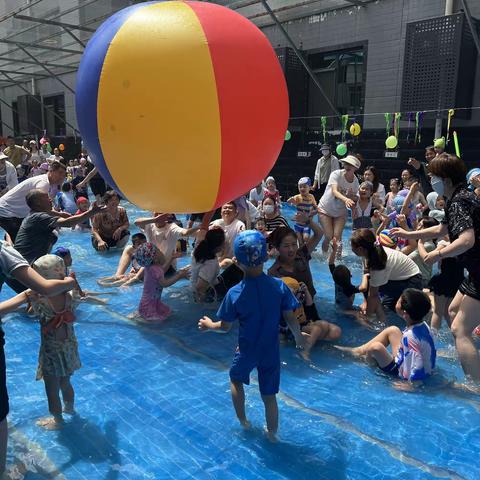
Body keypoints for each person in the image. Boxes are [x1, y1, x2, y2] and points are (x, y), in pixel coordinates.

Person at [198, 231, 305, 441]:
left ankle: (244, 423)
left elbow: (225, 327)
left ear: (236, 261)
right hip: (271, 350)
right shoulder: (279, 286)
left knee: (236, 380)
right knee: (269, 396)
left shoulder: (235, 293)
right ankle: (272, 435)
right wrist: (299, 337)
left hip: (247, 349)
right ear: (266, 257)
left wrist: (210, 324)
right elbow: (291, 318)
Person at [392, 154, 480, 381]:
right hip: (475, 271)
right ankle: (464, 348)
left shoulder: (459, 201)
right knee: (452, 310)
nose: (430, 179)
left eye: (433, 176)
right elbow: (441, 229)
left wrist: (436, 254)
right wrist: (408, 233)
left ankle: (475, 385)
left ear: (447, 179)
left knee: (459, 328)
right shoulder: (459, 197)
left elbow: (467, 240)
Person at [0, 243, 75, 471]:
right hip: (69, 348)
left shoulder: (43, 300)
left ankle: (57, 419)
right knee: (66, 382)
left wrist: (29, 300)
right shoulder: (69, 294)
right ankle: (70, 408)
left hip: (52, 351)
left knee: (51, 386)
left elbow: (35, 312)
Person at [336, 289, 436, 387]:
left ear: (405, 313)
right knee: (393, 330)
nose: (397, 301)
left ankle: (367, 362)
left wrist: (411, 385)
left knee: (375, 347)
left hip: (399, 374)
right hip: (404, 359)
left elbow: (417, 362)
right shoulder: (423, 326)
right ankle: (358, 351)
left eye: (399, 301)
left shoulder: (410, 337)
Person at [13, 189, 104, 266]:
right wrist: (92, 212)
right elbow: (68, 223)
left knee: (64, 253)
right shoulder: (38, 217)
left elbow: (48, 212)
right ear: (38, 202)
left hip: (22, 262)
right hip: (26, 266)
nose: (50, 200)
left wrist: (59, 213)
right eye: (46, 197)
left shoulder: (33, 214)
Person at [351, 228, 422, 318]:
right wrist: (365, 302)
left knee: (405, 312)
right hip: (399, 279)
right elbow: (366, 275)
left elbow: (373, 294)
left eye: (352, 248)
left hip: (413, 282)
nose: (351, 249)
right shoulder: (369, 252)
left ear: (360, 249)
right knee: (387, 308)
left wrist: (366, 318)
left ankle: (377, 321)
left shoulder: (378, 262)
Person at [0, 161, 67, 242]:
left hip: (13, 214)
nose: (62, 177)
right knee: (20, 243)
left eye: (64, 175)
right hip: (7, 212)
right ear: (51, 171)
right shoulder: (44, 183)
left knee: (17, 242)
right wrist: (60, 215)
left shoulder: (44, 181)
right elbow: (41, 208)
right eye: (60, 173)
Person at [280, 276, 341, 360]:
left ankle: (316, 343)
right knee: (317, 329)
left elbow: (312, 311)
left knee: (335, 331)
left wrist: (306, 291)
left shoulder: (299, 300)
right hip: (293, 330)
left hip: (305, 324)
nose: (299, 294)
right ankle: (306, 351)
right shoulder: (284, 306)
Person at [131, 242, 190, 323]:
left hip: (153, 302)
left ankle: (140, 316)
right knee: (157, 322)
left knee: (168, 313)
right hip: (149, 305)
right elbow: (164, 284)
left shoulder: (151, 267)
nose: (161, 251)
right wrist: (179, 276)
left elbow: (162, 271)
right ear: (154, 257)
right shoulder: (154, 269)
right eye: (158, 250)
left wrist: (171, 258)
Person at [268, 214, 322, 300]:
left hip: (311, 305)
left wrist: (308, 221)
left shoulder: (302, 254)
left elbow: (319, 234)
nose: (291, 249)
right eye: (286, 246)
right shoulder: (273, 272)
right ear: (277, 248)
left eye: (294, 244)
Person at [318, 154, 361, 254]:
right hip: (325, 209)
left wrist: (352, 198)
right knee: (328, 236)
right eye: (346, 163)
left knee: (337, 238)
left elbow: (356, 198)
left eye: (350, 164)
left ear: (355, 168)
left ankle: (337, 260)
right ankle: (324, 257)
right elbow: (334, 191)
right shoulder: (336, 174)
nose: (347, 166)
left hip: (340, 213)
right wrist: (346, 199)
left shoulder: (355, 182)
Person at [135, 212, 199, 274]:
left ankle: (135, 278)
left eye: (162, 213)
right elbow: (136, 222)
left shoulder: (172, 227)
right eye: (157, 212)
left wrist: (199, 226)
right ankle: (128, 276)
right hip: (150, 263)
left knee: (150, 251)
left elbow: (185, 233)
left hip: (167, 266)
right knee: (129, 248)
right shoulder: (149, 224)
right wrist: (155, 220)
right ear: (153, 213)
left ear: (168, 216)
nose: (160, 215)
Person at [191, 228, 225, 302]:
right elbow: (199, 288)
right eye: (223, 242)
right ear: (218, 246)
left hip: (197, 286)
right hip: (205, 295)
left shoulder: (199, 247)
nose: (224, 244)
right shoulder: (211, 264)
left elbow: (203, 229)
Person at [287, 177, 318, 245]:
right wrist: (290, 200)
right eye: (300, 187)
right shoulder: (298, 197)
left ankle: (308, 245)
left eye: (304, 186)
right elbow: (289, 202)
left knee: (306, 238)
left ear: (309, 187)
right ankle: (302, 250)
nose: (302, 188)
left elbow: (316, 207)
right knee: (300, 241)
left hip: (306, 224)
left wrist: (315, 212)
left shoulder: (311, 197)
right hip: (298, 224)